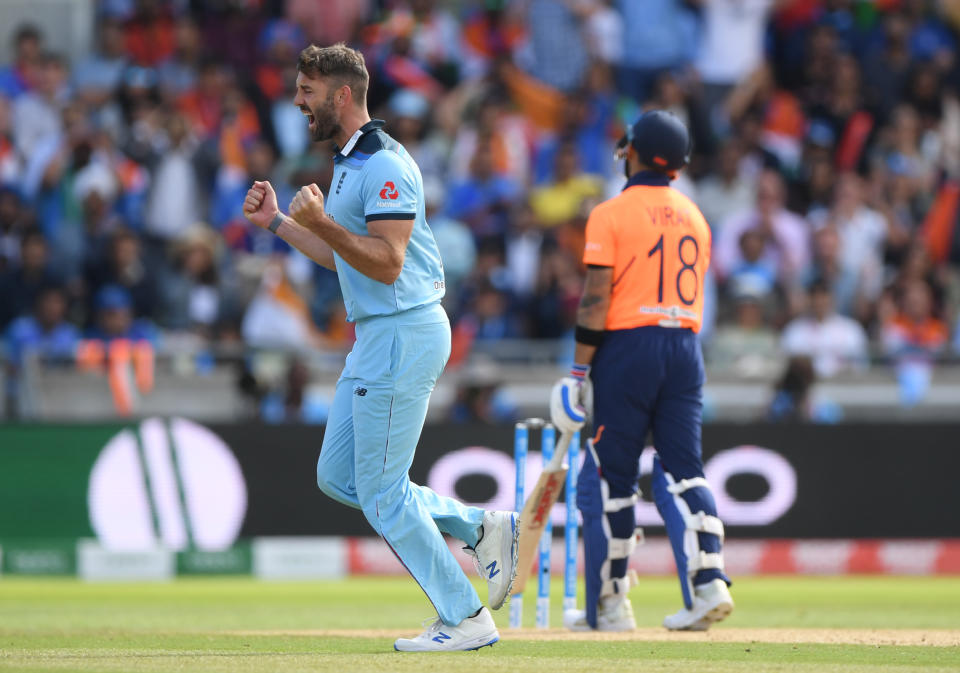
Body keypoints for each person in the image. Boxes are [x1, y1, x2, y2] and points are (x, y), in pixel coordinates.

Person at [242, 43, 516, 652]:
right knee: (339, 477)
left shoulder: (386, 164)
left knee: (383, 493)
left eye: (306, 91)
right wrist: (280, 224)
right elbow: (345, 260)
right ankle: (479, 526)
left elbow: (389, 264)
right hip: (379, 334)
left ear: (341, 95)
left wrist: (322, 224)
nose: (296, 101)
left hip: (403, 330)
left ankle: (466, 618)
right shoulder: (348, 164)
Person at [551, 111, 733, 632]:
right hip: (684, 348)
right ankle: (708, 585)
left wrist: (577, 372)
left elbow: (595, 300)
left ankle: (610, 606)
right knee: (684, 470)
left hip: (629, 349)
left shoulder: (611, 213)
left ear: (633, 152)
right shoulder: (696, 216)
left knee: (612, 477)